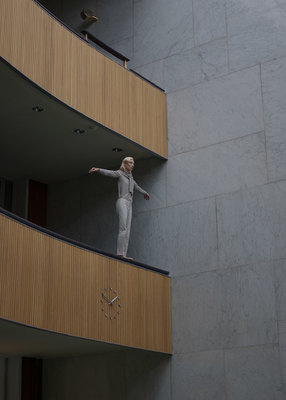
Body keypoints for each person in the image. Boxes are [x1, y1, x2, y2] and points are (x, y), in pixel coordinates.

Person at [88, 157, 150, 259]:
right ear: (125, 164)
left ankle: (123, 254)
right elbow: (110, 173)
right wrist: (98, 169)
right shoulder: (120, 173)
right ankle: (120, 253)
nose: (132, 165)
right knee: (123, 228)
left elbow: (136, 187)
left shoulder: (131, 178)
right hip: (122, 202)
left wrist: (145, 193)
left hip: (130, 204)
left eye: (133, 163)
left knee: (127, 230)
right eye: (130, 163)